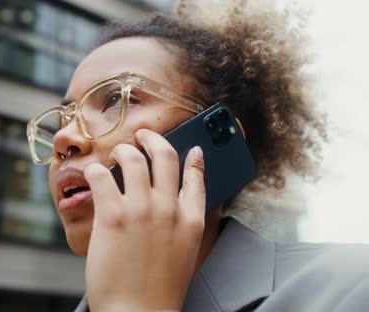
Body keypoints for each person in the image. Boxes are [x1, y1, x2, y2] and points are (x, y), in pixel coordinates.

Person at [26, 1, 369, 311]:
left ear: (213, 139)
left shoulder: (351, 288)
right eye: (64, 118)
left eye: (116, 99)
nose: (64, 137)